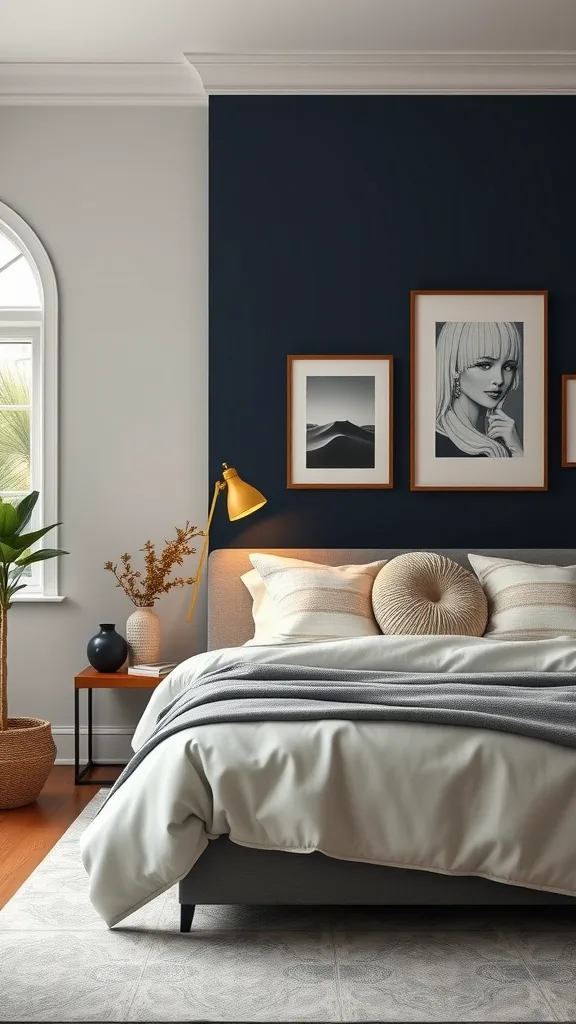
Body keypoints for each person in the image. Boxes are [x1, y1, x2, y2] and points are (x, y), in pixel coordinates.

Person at [435, 321, 523, 458]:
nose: (499, 380)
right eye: (484, 365)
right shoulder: (438, 444)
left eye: (508, 367)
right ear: (455, 368)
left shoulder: (504, 439)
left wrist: (517, 450)